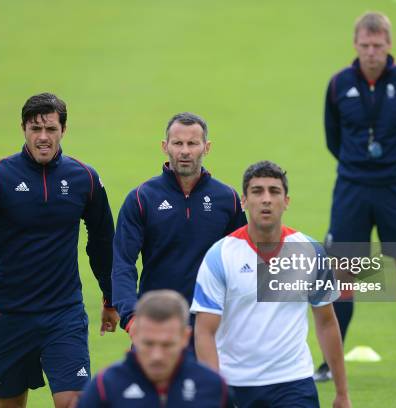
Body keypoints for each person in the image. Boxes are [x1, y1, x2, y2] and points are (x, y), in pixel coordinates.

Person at [0, 93, 119, 408]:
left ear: (63, 130)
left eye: (50, 129)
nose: (42, 137)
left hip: (63, 314)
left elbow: (103, 242)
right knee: (11, 403)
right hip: (9, 315)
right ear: (23, 129)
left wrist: (110, 296)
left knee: (74, 402)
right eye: (35, 128)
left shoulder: (84, 178)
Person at [318, 11, 396, 384]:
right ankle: (330, 363)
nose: (371, 52)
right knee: (342, 276)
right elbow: (333, 137)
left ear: (389, 45)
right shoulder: (338, 84)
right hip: (353, 188)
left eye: (377, 45)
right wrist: (359, 164)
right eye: (364, 45)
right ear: (355, 45)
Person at [192, 161, 351, 408]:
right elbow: (204, 331)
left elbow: (327, 322)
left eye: (274, 191)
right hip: (235, 385)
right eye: (257, 191)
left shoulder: (310, 252)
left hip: (293, 383)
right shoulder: (220, 256)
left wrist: (342, 393)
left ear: (286, 201)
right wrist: (216, 393)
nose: (266, 199)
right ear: (244, 201)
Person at [112, 112, 247, 334]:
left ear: (206, 147)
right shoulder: (141, 198)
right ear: (165, 146)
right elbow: (123, 263)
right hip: (156, 323)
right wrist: (131, 317)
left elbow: (241, 261)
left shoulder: (227, 199)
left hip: (212, 325)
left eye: (193, 143)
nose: (185, 151)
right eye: (178, 143)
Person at [77, 290, 230, 407]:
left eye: (167, 345)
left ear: (185, 337)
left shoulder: (212, 387)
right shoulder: (105, 387)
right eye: (149, 344)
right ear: (134, 334)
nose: (157, 356)